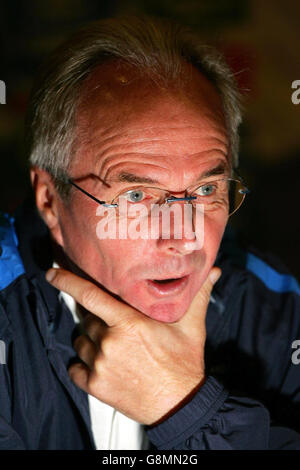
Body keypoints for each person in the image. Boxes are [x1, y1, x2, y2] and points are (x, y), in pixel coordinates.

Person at [0, 15, 299, 450]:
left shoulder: (277, 309)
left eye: (206, 188)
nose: (183, 238)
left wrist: (181, 406)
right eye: (137, 196)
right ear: (49, 199)